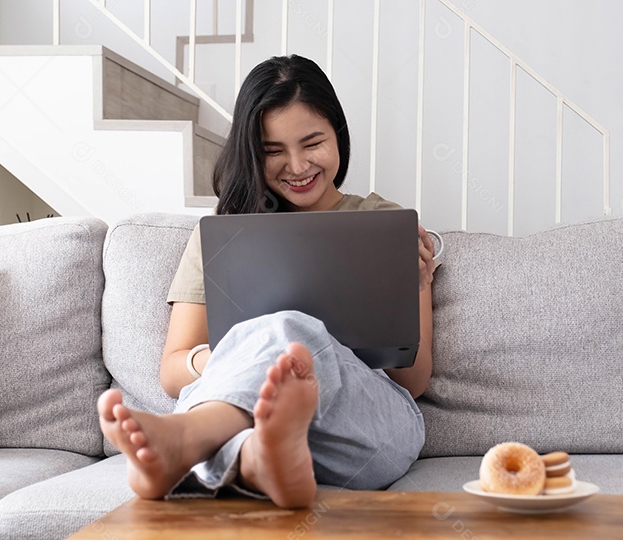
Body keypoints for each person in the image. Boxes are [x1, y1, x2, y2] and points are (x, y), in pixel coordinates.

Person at [98, 54, 437, 509]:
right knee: (275, 337)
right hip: (254, 426)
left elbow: (412, 381)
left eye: (311, 142)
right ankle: (258, 461)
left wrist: (412, 286)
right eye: (272, 150)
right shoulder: (224, 235)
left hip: (366, 431)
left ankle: (187, 441)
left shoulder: (384, 222)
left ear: (338, 132)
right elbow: (174, 371)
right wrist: (246, 350)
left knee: (291, 331)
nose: (296, 166)